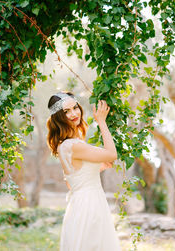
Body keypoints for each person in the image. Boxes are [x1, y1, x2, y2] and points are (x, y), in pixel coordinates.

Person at [46, 91, 121, 251]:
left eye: (75, 107)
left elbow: (71, 182)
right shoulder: (74, 145)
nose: (73, 113)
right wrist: (101, 121)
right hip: (90, 206)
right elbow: (112, 154)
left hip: (80, 205)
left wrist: (98, 168)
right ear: (59, 116)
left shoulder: (63, 145)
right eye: (66, 111)